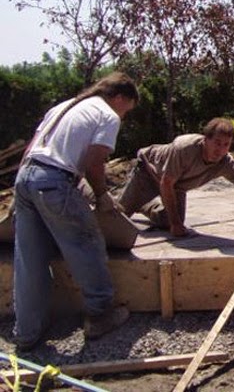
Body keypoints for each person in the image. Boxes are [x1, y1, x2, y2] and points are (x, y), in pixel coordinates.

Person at [13, 72, 139, 350]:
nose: (124, 115)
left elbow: (31, 149)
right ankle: (100, 314)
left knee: (29, 259)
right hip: (55, 182)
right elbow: (95, 162)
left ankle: (26, 333)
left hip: (25, 179)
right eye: (126, 109)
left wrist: (20, 191)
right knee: (87, 243)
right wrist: (103, 196)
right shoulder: (107, 115)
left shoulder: (64, 106)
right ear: (119, 97)